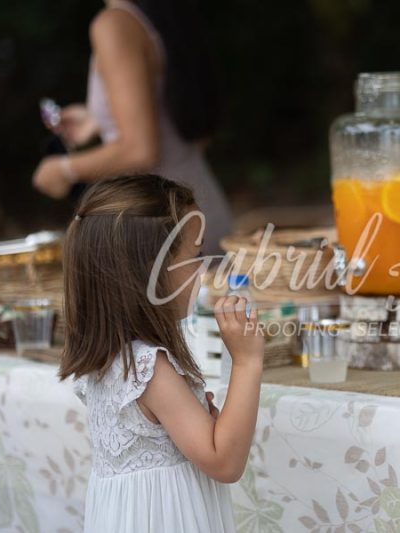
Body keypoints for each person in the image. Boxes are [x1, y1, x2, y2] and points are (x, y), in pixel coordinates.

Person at [58, 175, 262, 532]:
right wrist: (247, 362)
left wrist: (206, 419)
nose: (202, 269)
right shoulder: (148, 369)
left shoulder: (112, 359)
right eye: (195, 255)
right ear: (149, 273)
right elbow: (225, 463)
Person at [32, 0, 232, 254]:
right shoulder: (164, 12)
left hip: (167, 230)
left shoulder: (114, 25)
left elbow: (140, 151)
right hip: (200, 212)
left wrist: (65, 169)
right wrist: (97, 119)